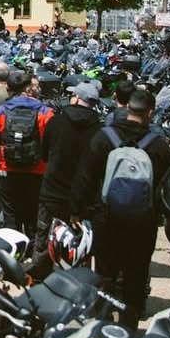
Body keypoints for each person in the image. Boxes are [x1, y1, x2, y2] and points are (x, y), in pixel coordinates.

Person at [74, 86, 170, 328]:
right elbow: (166, 186)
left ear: (127, 108)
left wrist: (76, 210)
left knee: (105, 270)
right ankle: (130, 320)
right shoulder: (158, 146)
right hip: (143, 222)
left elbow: (85, 177)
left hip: (106, 217)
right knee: (136, 271)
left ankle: (102, 318)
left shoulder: (104, 137)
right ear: (150, 112)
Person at [28, 80, 102, 281]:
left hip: (52, 191)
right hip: (84, 197)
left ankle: (38, 280)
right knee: (81, 243)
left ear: (76, 98)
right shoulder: (100, 129)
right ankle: (76, 283)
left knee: (44, 237)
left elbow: (44, 154)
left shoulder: (56, 122)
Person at [0, 67, 53, 239]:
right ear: (28, 89)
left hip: (7, 167)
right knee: (32, 212)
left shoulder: (0, 110)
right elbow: (52, 139)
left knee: (10, 212)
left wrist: (0, 145)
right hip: (37, 169)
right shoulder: (45, 112)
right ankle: (32, 246)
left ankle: (15, 247)